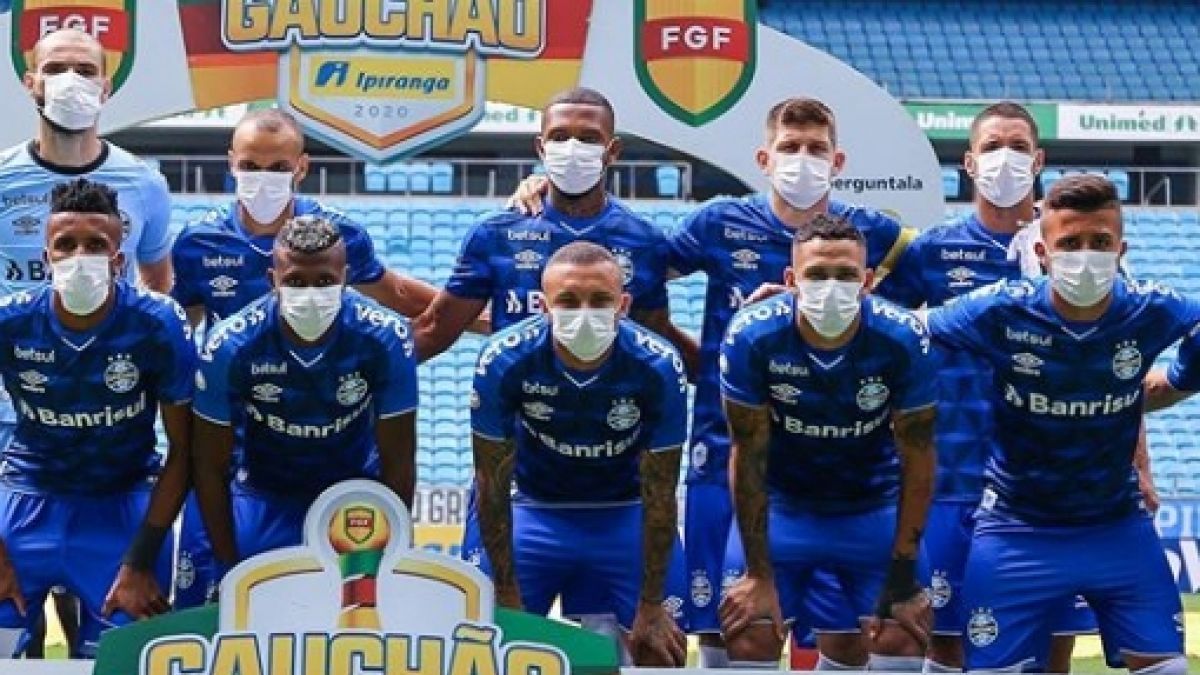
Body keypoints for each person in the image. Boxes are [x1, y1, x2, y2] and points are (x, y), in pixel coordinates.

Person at [506, 96, 916, 666]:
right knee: (727, 622)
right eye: (790, 147)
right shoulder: (718, 223)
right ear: (764, 158)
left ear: (837, 160)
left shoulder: (876, 234)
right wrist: (547, 198)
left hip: (833, 466)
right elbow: (620, 269)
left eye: (815, 148)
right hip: (723, 446)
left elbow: (930, 300)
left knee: (844, 632)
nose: (802, 159)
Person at [415, 87, 695, 641]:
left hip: (619, 486)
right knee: (491, 642)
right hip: (526, 480)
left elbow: (656, 342)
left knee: (633, 645)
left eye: (588, 138)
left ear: (612, 150)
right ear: (540, 147)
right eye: (561, 137)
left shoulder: (643, 241)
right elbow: (433, 329)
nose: (573, 149)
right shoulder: (497, 234)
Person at [874, 101, 1122, 672]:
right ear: (968, 163)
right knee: (949, 640)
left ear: (1038, 160)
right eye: (991, 147)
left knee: (1051, 646)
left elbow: (1119, 368)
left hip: (1052, 486)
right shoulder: (931, 251)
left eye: (1017, 146)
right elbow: (875, 337)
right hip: (953, 478)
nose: (1004, 158)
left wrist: (1140, 463)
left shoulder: (1080, 251)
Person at [170, 108, 439, 608]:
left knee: (348, 616)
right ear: (231, 163)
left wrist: (483, 318)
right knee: (220, 612)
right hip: (243, 454)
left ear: (301, 167)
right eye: (251, 166)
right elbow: (175, 329)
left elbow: (396, 291)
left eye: (277, 167)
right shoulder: (197, 245)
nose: (263, 179)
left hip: (341, 461)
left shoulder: (342, 238)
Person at [925, 174, 1191, 674]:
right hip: (1015, 528)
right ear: (1042, 253)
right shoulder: (1000, 307)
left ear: (1121, 251)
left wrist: (1182, 375)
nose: (1085, 256)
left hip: (1116, 527)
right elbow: (911, 329)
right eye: (1070, 243)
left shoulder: (1149, 308)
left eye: (1100, 243)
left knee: (1169, 668)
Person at [0, 29, 173, 652]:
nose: (69, 81)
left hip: (109, 442)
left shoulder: (144, 184)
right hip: (14, 438)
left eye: (83, 68)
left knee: (104, 630)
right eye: (54, 68)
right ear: (30, 82)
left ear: (106, 86)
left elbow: (158, 285)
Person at [717, 214, 935, 671]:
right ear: (790, 279)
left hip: (872, 508)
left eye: (845, 275)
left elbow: (918, 456)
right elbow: (747, 453)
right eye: (817, 275)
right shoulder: (752, 334)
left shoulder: (901, 337)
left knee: (903, 633)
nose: (831, 287)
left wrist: (902, 573)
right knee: (749, 631)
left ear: (868, 281)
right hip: (782, 510)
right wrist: (757, 574)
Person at [470, 242, 689, 666]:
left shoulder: (658, 365)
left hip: (624, 509)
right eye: (568, 301)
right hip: (531, 507)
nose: (584, 313)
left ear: (623, 305)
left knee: (661, 649)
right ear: (544, 305)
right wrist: (508, 595)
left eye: (600, 300)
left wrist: (650, 605)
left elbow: (662, 491)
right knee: (490, 645)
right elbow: (490, 484)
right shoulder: (504, 358)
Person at [0, 179, 193, 658]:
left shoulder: (157, 324)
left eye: (95, 245)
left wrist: (140, 560)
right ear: (46, 258)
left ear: (118, 259)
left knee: (125, 656)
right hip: (28, 498)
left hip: (123, 506)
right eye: (66, 245)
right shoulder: (10, 322)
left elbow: (184, 448)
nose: (79, 256)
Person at [191, 215, 418, 582]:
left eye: (325, 281)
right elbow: (210, 466)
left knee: (358, 609)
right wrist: (227, 568)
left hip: (353, 496)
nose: (311, 295)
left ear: (345, 277)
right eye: (295, 282)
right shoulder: (230, 345)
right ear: (272, 281)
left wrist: (395, 549)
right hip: (263, 495)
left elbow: (399, 462)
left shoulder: (386, 337)